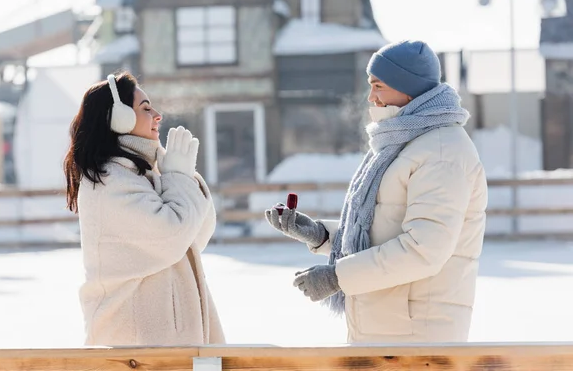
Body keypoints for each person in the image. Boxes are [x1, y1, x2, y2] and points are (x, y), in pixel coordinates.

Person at [265, 40, 488, 343]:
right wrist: (321, 235)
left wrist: (337, 276)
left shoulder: (441, 152)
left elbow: (424, 250)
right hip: (387, 330)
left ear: (405, 86)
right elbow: (381, 227)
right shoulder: (403, 142)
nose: (371, 97)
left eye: (378, 86)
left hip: (417, 338)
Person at [63, 71, 225, 346]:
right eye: (146, 108)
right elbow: (173, 235)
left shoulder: (147, 173)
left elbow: (196, 235)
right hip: (135, 350)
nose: (158, 115)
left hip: (165, 346)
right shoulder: (111, 181)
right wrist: (178, 179)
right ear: (118, 117)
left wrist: (179, 173)